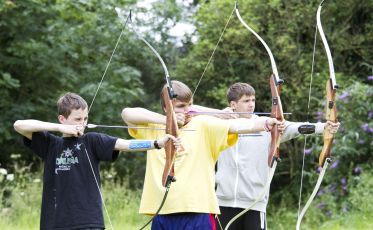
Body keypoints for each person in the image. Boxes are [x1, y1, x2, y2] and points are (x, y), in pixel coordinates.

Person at [121, 80, 284, 230]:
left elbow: (235, 126)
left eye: (190, 105)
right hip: (161, 211)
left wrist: (266, 123)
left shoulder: (202, 124)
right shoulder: (153, 127)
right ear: (166, 108)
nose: (187, 111)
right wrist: (168, 121)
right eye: (181, 106)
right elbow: (127, 113)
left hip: (197, 211)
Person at [13, 92, 180, 230]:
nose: (83, 123)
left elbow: (126, 144)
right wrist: (58, 128)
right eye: (78, 119)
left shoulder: (92, 141)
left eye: (85, 119)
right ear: (62, 119)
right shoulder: (51, 144)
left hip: (89, 222)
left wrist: (156, 143)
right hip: (54, 222)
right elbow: (19, 125)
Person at [213, 82, 340, 230]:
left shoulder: (267, 125)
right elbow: (196, 122)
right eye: (246, 101)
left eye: (253, 100)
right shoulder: (218, 126)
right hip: (223, 202)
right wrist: (220, 115)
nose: (251, 104)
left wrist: (324, 127)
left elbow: (294, 128)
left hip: (254, 202)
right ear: (233, 104)